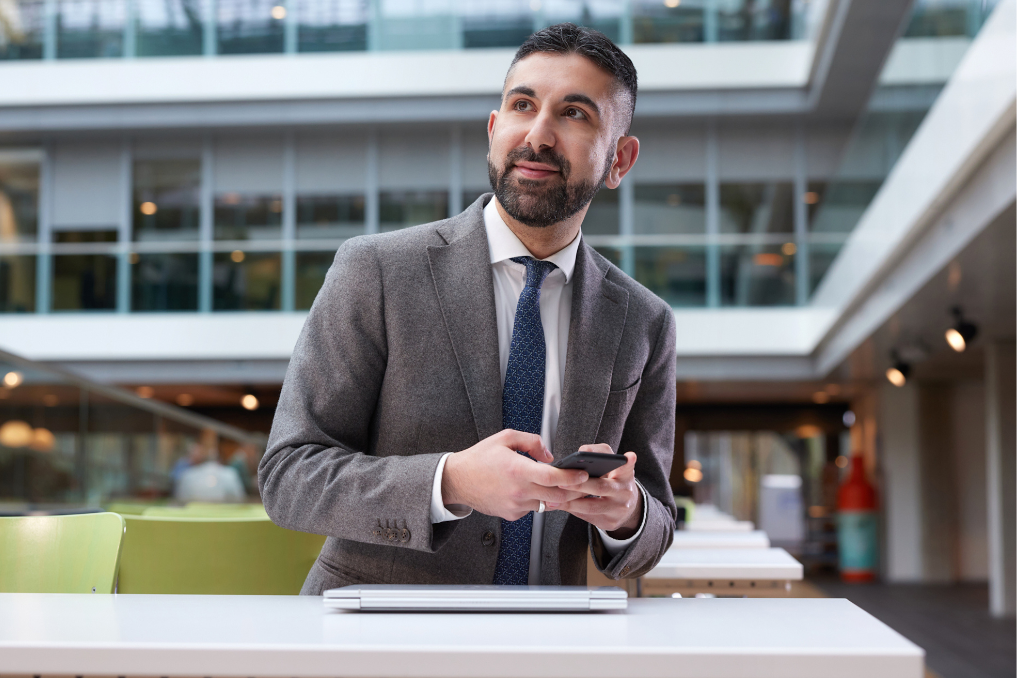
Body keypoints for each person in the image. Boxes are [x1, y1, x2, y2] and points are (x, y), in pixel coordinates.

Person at [260, 23, 677, 593]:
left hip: (548, 641)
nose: (539, 134)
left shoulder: (644, 321)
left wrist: (626, 513)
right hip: (377, 636)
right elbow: (289, 478)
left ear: (619, 161)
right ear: (494, 129)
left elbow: (655, 527)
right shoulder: (376, 271)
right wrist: (448, 481)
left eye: (575, 114)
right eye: (522, 105)